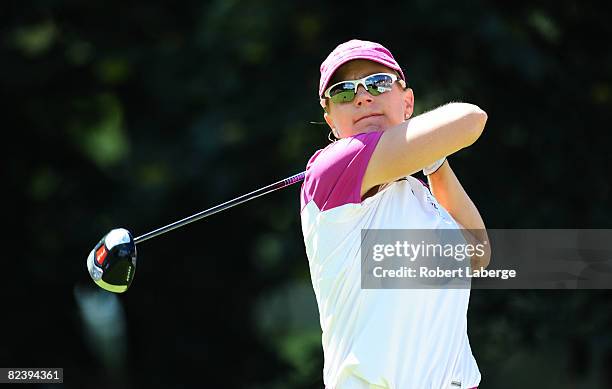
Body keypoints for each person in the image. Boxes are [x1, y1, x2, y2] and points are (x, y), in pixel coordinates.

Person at [299, 39, 490, 389]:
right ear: (332, 121)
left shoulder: (420, 195)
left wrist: (434, 161)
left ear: (408, 102)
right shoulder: (331, 169)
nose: (362, 97)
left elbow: (477, 253)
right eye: (343, 92)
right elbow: (470, 119)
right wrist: (426, 144)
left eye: (377, 83)